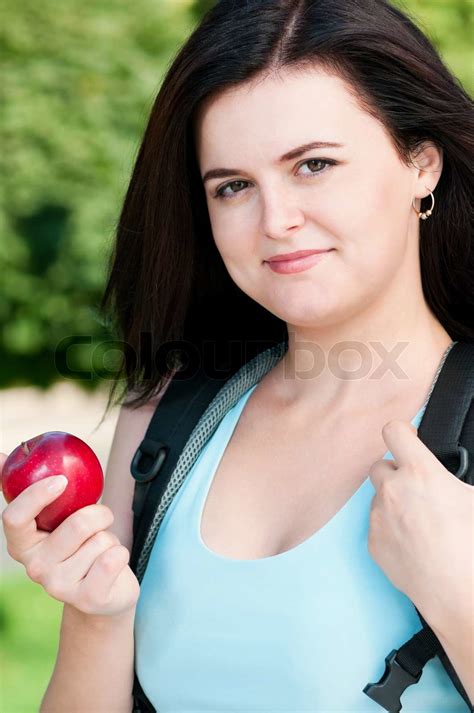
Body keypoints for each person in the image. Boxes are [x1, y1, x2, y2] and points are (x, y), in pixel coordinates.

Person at [1, 0, 473, 711]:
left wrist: (460, 593)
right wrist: (97, 614)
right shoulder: (169, 421)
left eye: (314, 164)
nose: (275, 220)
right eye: (234, 186)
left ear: (422, 165)